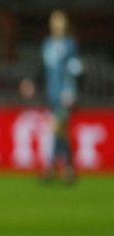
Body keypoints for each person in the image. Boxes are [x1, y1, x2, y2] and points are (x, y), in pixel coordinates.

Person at [41, 10, 81, 182]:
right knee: (61, 132)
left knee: (56, 128)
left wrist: (70, 91)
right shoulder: (47, 44)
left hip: (64, 94)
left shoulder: (70, 45)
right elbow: (43, 70)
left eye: (59, 21)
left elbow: (74, 69)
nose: (56, 24)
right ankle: (68, 168)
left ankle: (51, 167)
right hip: (51, 93)